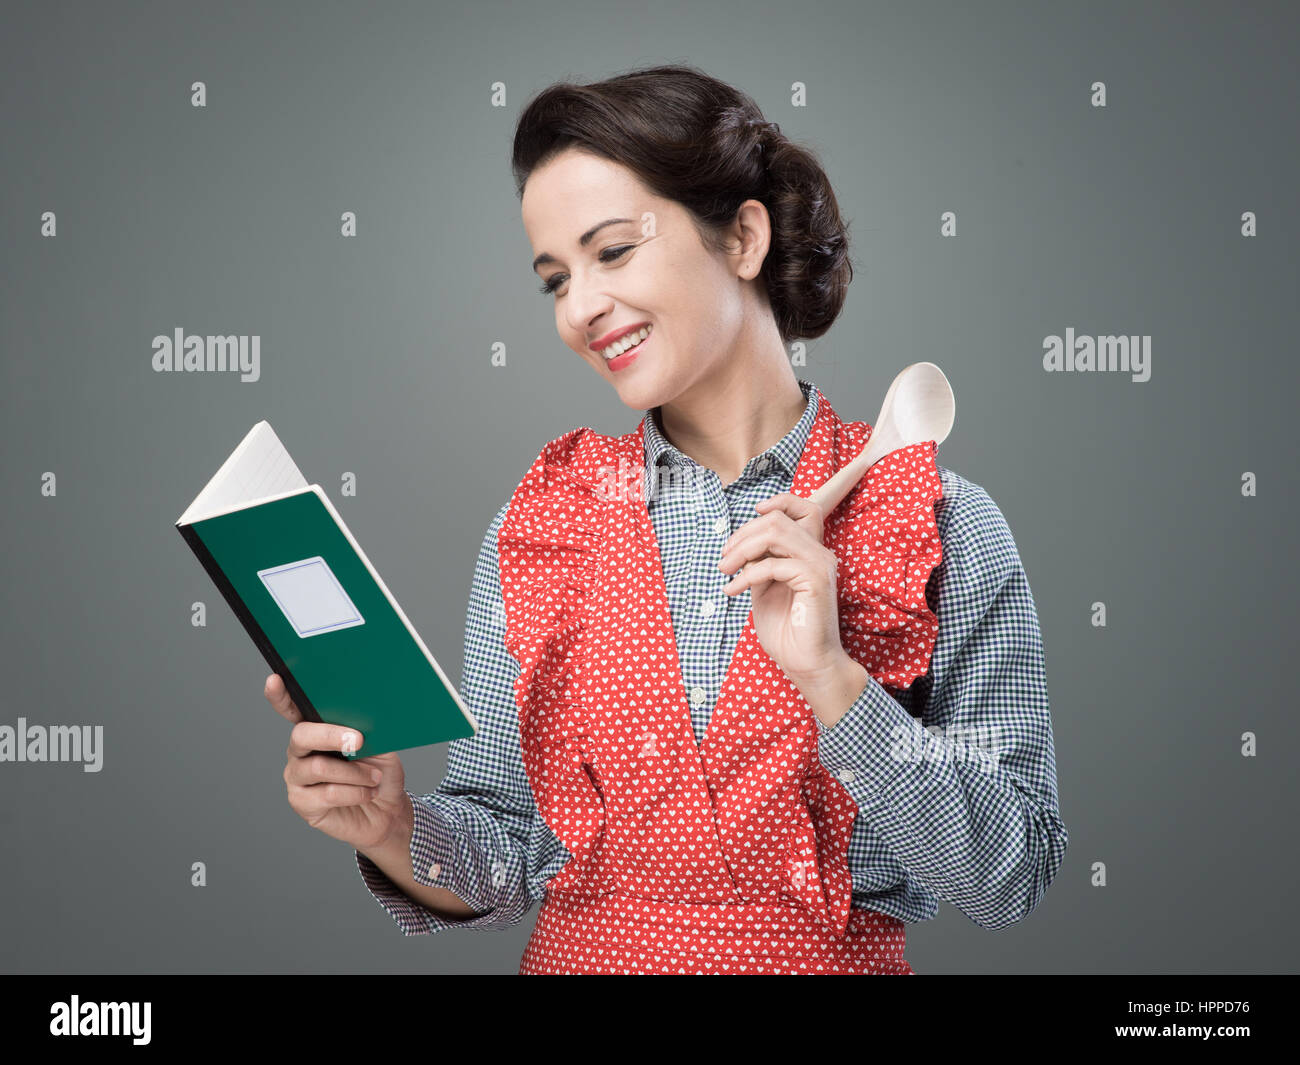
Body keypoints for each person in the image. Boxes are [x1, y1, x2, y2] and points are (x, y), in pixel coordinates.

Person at [266, 64, 1068, 975]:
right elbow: (506, 854)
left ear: (743, 239)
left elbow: (1013, 875)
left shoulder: (932, 520)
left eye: (611, 252)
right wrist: (395, 828)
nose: (580, 309)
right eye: (554, 279)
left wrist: (838, 685)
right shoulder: (545, 526)